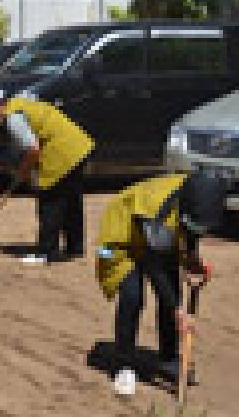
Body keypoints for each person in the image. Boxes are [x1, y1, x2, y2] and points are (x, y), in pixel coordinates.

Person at [95, 170, 227, 396]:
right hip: (117, 242)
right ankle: (124, 365)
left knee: (171, 293)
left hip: (155, 238)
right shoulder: (159, 209)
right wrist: (179, 311)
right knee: (132, 296)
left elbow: (189, 229)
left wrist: (192, 259)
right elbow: (153, 265)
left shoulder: (193, 196)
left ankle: (168, 359)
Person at [0, 87, 94, 264]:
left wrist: (22, 172)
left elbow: (33, 150)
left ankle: (46, 252)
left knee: (49, 201)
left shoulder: (13, 118)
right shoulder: (22, 100)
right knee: (71, 199)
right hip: (79, 146)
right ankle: (75, 248)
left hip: (62, 152)